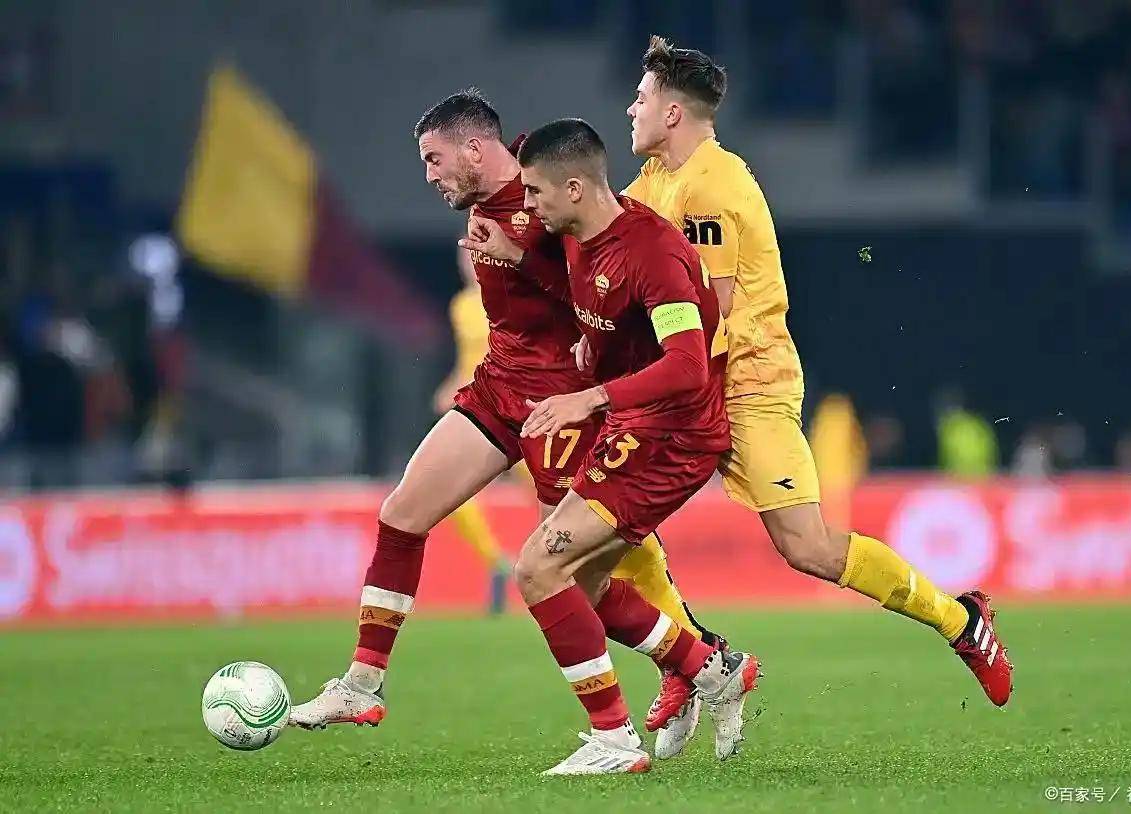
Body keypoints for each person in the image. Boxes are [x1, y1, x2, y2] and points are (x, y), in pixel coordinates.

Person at [289, 94, 730, 760]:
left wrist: (528, 266)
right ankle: (361, 684)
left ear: (475, 150)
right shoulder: (492, 200)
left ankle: (689, 672)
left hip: (563, 404)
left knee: (565, 577)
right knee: (402, 514)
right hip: (499, 389)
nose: (430, 176)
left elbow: (601, 283)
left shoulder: (549, 192)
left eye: (435, 160)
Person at [620, 36, 1012, 708]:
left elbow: (710, 313)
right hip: (690, 383)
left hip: (747, 384)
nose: (632, 108)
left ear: (674, 112)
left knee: (808, 548)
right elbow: (599, 229)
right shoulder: (658, 178)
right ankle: (689, 658)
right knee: (607, 517)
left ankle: (961, 621)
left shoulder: (713, 186)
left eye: (642, 97)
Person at [460, 118, 759, 775]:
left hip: (675, 436)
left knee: (538, 569)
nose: (525, 207)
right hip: (634, 427)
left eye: (533, 192)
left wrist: (590, 397)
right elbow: (586, 298)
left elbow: (687, 365)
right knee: (582, 584)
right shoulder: (574, 236)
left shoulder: (653, 252)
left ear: (574, 187)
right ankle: (711, 669)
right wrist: (519, 262)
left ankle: (613, 740)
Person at [434, 246, 513, 613]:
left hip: (517, 409)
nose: (469, 264)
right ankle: (497, 563)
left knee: (556, 493)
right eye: (462, 259)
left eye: (473, 256)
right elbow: (465, 359)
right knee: (454, 495)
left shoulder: (509, 293)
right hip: (481, 413)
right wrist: (450, 386)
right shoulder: (461, 306)